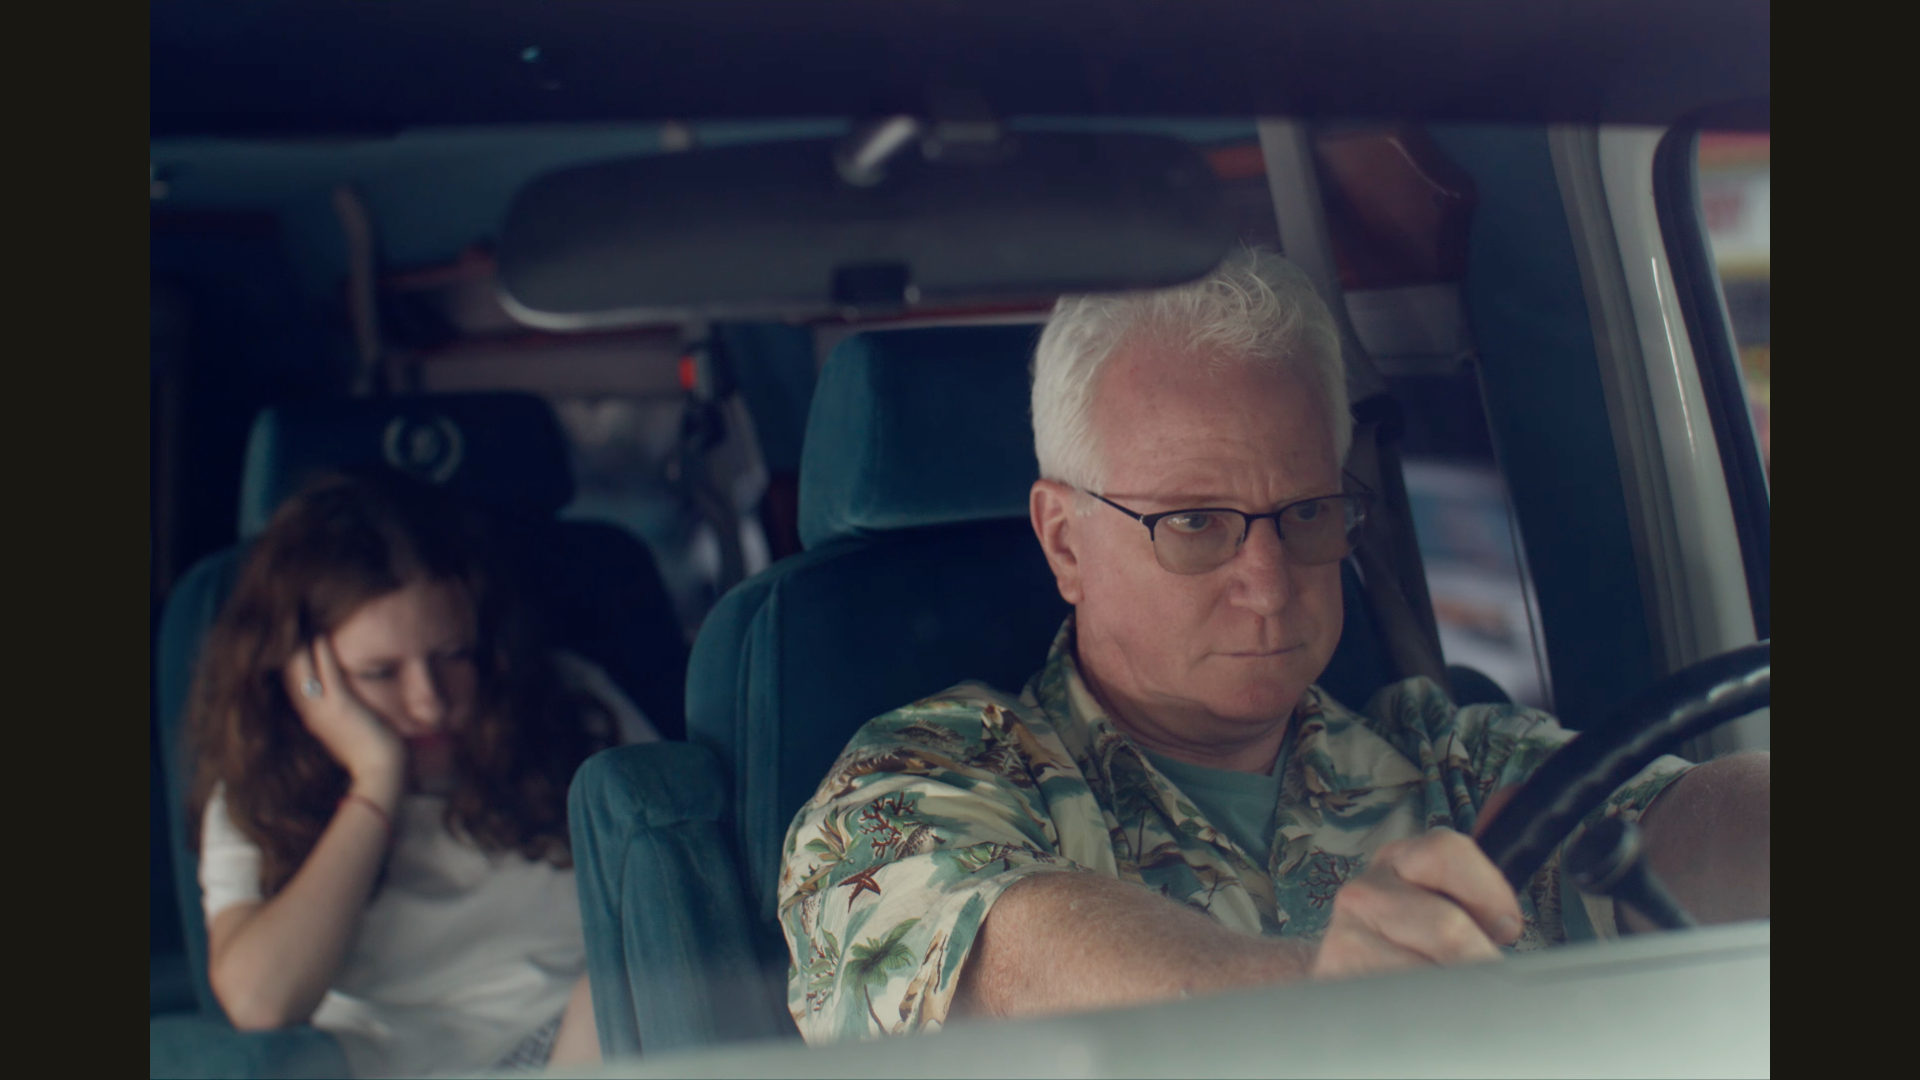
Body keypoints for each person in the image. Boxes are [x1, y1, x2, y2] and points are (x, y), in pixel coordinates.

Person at [776, 248, 1769, 1041]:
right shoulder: (914, 789)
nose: (1268, 581)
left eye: (1305, 512)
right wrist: (1314, 996)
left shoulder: (1450, 759)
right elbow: (1001, 959)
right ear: (1064, 541)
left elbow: (1682, 831)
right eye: (1196, 523)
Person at [186, 471, 657, 1076]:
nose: (429, 701)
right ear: (307, 676)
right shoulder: (258, 784)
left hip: (590, 1041)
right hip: (395, 1065)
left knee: (622, 990)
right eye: (381, 673)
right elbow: (260, 1001)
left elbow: (682, 884)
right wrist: (375, 781)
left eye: (453, 656)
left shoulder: (570, 709)